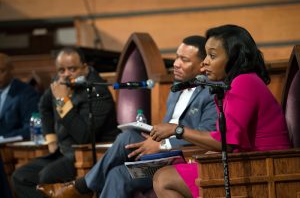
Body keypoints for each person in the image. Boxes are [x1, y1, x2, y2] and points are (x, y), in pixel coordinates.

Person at [36, 35, 218, 198]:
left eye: (184, 59)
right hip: (159, 158)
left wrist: (162, 144)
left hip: (182, 159)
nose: (176, 63)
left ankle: (81, 186)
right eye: (177, 57)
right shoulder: (176, 89)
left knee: (127, 137)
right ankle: (83, 186)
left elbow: (205, 135)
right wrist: (153, 137)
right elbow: (167, 127)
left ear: (202, 64)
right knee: (118, 172)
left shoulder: (211, 93)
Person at [152, 24, 291, 198]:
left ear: (233, 58)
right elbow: (226, 139)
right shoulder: (238, 82)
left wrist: (176, 130)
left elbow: (227, 142)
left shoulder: (244, 83)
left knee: (164, 179)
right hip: (251, 162)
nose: (205, 62)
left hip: (266, 166)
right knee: (165, 174)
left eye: (212, 56)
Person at [11, 47, 120, 198]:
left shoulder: (97, 91)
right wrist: (51, 139)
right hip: (63, 151)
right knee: (21, 177)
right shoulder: (60, 83)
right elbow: (44, 106)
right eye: (61, 70)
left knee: (47, 177)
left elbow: (84, 136)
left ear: (85, 67)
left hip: (88, 153)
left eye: (72, 69)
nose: (66, 74)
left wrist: (62, 101)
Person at [0, 53, 40, 139]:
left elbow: (32, 128)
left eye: (1, 71)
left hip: (12, 148)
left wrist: (4, 138)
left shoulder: (27, 93)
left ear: (11, 70)